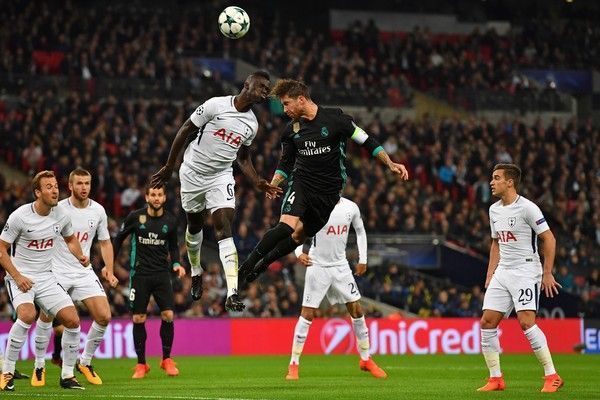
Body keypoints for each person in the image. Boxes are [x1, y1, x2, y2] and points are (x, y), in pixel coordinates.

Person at [238, 79, 409, 284]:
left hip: (329, 192)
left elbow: (367, 140)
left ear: (301, 100)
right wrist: (274, 182)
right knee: (286, 226)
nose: (284, 110)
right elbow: (285, 164)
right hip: (302, 182)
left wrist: (390, 163)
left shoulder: (336, 119)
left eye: (286, 103)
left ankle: (263, 264)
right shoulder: (291, 131)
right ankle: (246, 267)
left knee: (299, 236)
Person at [151, 71, 282, 311]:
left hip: (220, 177)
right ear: (246, 84)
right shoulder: (215, 105)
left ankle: (232, 292)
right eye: (262, 86)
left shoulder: (252, 124)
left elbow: (242, 157)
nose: (265, 91)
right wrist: (170, 166)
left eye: (267, 89)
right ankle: (196, 270)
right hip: (192, 172)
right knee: (194, 226)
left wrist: (258, 181)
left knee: (223, 225)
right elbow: (184, 130)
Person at [478, 164, 563, 393]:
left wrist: (547, 273)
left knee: (526, 321)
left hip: (526, 271)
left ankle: (552, 375)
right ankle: (496, 378)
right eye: (492, 178)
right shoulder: (494, 210)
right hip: (503, 271)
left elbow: (549, 239)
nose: (491, 182)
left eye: (496, 178)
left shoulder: (528, 208)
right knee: (487, 322)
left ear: (510, 182)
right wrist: (490, 273)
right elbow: (496, 242)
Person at [0, 170, 88, 391]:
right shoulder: (20, 216)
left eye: (56, 186)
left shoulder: (61, 215)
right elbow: (1, 248)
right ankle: (7, 372)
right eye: (48, 187)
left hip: (47, 277)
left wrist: (79, 255)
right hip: (20, 276)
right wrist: (17, 276)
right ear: (37, 192)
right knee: (27, 315)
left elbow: (70, 239)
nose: (55, 190)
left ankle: (67, 375)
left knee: (72, 320)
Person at [31, 168, 119, 387]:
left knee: (104, 316)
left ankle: (85, 362)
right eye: (79, 183)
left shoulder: (98, 211)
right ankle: (39, 365)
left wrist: (109, 268)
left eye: (87, 183)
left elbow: (105, 242)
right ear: (70, 186)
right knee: (46, 316)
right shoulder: (58, 209)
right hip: (57, 271)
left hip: (83, 271)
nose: (84, 188)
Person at [286, 197, 386, 380]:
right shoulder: (314, 205)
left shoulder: (351, 207)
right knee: (307, 314)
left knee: (357, 309)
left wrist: (363, 259)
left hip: (341, 266)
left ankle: (365, 359)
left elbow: (361, 232)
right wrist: (299, 253)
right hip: (317, 266)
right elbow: (297, 231)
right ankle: (293, 364)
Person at [113, 183, 185, 379]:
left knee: (168, 315)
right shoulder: (135, 217)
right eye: (152, 194)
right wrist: (109, 264)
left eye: (159, 194)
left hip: (162, 274)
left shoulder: (171, 220)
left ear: (164, 198)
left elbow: (173, 246)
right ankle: (141, 364)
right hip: (140, 275)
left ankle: (166, 359)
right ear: (146, 197)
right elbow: (119, 238)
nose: (156, 198)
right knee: (138, 318)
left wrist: (177, 263)